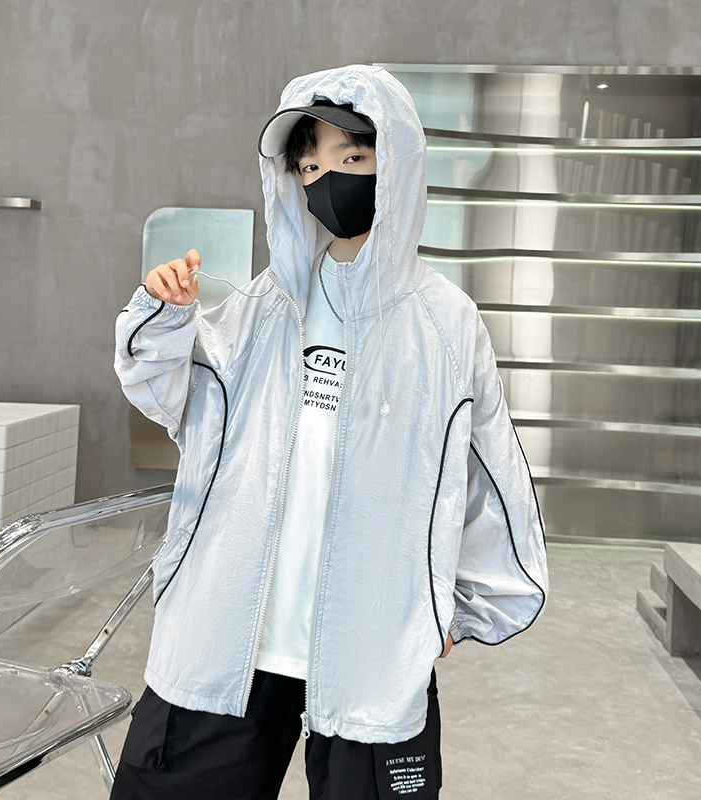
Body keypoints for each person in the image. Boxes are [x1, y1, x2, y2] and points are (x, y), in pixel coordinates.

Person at [111, 64, 548, 800]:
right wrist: (165, 318)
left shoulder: (444, 323)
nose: (326, 179)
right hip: (228, 637)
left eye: (353, 156)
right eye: (309, 165)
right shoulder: (263, 306)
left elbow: (488, 472)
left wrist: (459, 604)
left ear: (396, 163)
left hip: (371, 648)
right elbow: (170, 397)